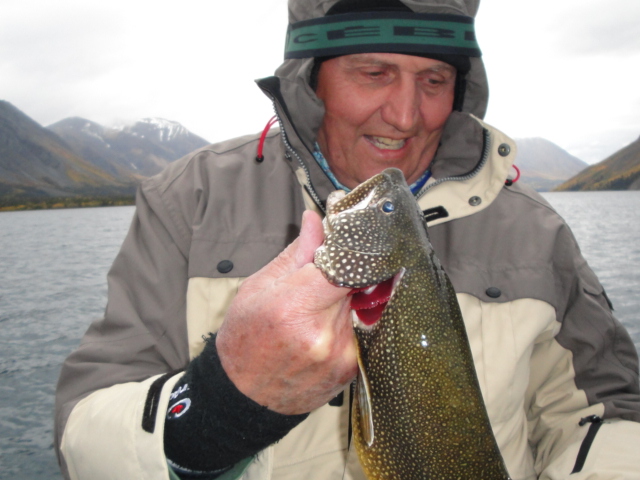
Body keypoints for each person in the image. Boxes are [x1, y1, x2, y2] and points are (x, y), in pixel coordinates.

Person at [54, 0, 640, 479]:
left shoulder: (536, 231)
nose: (406, 115)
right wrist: (222, 402)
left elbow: (610, 414)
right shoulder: (191, 199)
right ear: (312, 82)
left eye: (434, 80)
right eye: (374, 74)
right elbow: (83, 434)